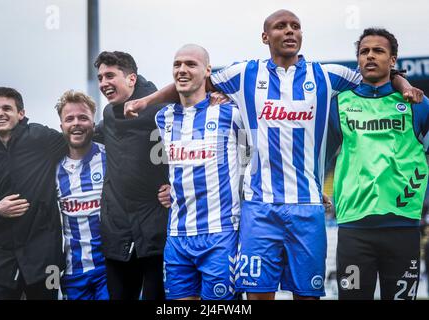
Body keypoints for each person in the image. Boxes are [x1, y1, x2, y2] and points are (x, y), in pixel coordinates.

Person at [124, 10, 421, 300]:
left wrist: (405, 85)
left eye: (296, 26)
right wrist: (147, 100)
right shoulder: (244, 74)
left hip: (307, 206)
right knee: (258, 293)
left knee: (307, 294)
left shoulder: (327, 75)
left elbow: (381, 72)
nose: (290, 31)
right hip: (259, 208)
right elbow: (193, 81)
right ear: (265, 36)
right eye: (281, 26)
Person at [327, 28, 429, 300]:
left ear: (393, 60)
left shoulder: (417, 103)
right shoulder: (338, 105)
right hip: (353, 231)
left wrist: (403, 85)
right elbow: (317, 153)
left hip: (403, 229)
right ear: (358, 60)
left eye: (378, 51)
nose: (370, 56)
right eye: (364, 51)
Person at [155, 44, 243, 300]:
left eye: (190, 64)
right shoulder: (163, 118)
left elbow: (251, 161)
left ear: (207, 71)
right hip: (178, 236)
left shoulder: (231, 113)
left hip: (221, 233)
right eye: (177, 64)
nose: (182, 70)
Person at [93, 51, 170, 300]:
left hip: (156, 225)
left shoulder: (163, 111)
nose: (104, 83)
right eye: (100, 77)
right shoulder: (108, 114)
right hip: (117, 228)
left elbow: (193, 148)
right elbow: (87, 136)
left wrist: (175, 186)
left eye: (110, 75)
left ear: (131, 79)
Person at [0, 87, 67, 299]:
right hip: (0, 262)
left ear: (21, 114)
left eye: (7, 108)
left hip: (45, 259)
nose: (0, 113)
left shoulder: (40, 136)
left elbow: (79, 138)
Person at [55, 90, 109, 300]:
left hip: (110, 267)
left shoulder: (111, 157)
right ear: (62, 126)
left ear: (94, 124)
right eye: (69, 119)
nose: (76, 123)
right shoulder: (52, 169)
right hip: (73, 272)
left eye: (83, 117)